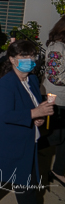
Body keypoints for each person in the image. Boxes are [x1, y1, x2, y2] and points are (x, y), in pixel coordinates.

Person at [0, 40, 54, 204]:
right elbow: (5, 115)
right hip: (2, 145)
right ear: (11, 59)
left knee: (26, 191)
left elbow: (30, 107)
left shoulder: (32, 81)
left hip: (24, 145)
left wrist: (37, 118)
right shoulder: (5, 84)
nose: (29, 60)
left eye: (32, 56)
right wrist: (34, 112)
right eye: (23, 56)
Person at [40, 16, 65, 187]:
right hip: (57, 97)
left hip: (59, 96)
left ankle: (58, 170)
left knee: (60, 135)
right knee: (55, 135)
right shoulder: (57, 47)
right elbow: (56, 76)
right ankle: (24, 150)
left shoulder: (58, 45)